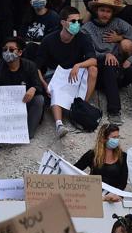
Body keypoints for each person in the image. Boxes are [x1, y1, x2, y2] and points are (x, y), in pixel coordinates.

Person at [83, 0, 132, 127]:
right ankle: (114, 111)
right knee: (108, 66)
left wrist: (130, 60)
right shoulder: (87, 28)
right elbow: (85, 52)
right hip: (99, 73)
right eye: (102, 10)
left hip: (118, 69)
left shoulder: (119, 23)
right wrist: (105, 55)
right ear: (96, 11)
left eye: (108, 11)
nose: (105, 14)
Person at [42, 8, 100, 138]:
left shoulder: (83, 37)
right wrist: (45, 85)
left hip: (75, 72)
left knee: (93, 69)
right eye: (73, 21)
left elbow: (93, 60)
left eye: (79, 21)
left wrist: (78, 65)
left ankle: (82, 105)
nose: (76, 24)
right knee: (55, 90)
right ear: (63, 22)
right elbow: (37, 67)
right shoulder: (49, 39)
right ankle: (59, 124)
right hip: (55, 73)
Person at [0, 36, 48, 147]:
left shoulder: (30, 66)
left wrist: (33, 88)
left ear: (19, 52)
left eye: (11, 49)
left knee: (39, 99)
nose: (7, 52)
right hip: (4, 108)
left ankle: (27, 134)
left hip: (24, 104)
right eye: (5, 49)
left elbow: (39, 86)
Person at [74, 125, 128, 197]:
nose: (117, 140)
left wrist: (116, 195)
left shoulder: (123, 156)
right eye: (114, 137)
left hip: (114, 198)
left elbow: (123, 182)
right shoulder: (92, 155)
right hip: (93, 196)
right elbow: (74, 170)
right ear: (103, 139)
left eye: (118, 137)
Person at [20, 0, 59, 70]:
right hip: (26, 51)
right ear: (31, 1)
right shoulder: (27, 15)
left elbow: (52, 41)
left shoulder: (53, 17)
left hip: (44, 54)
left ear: (46, 0)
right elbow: (21, 36)